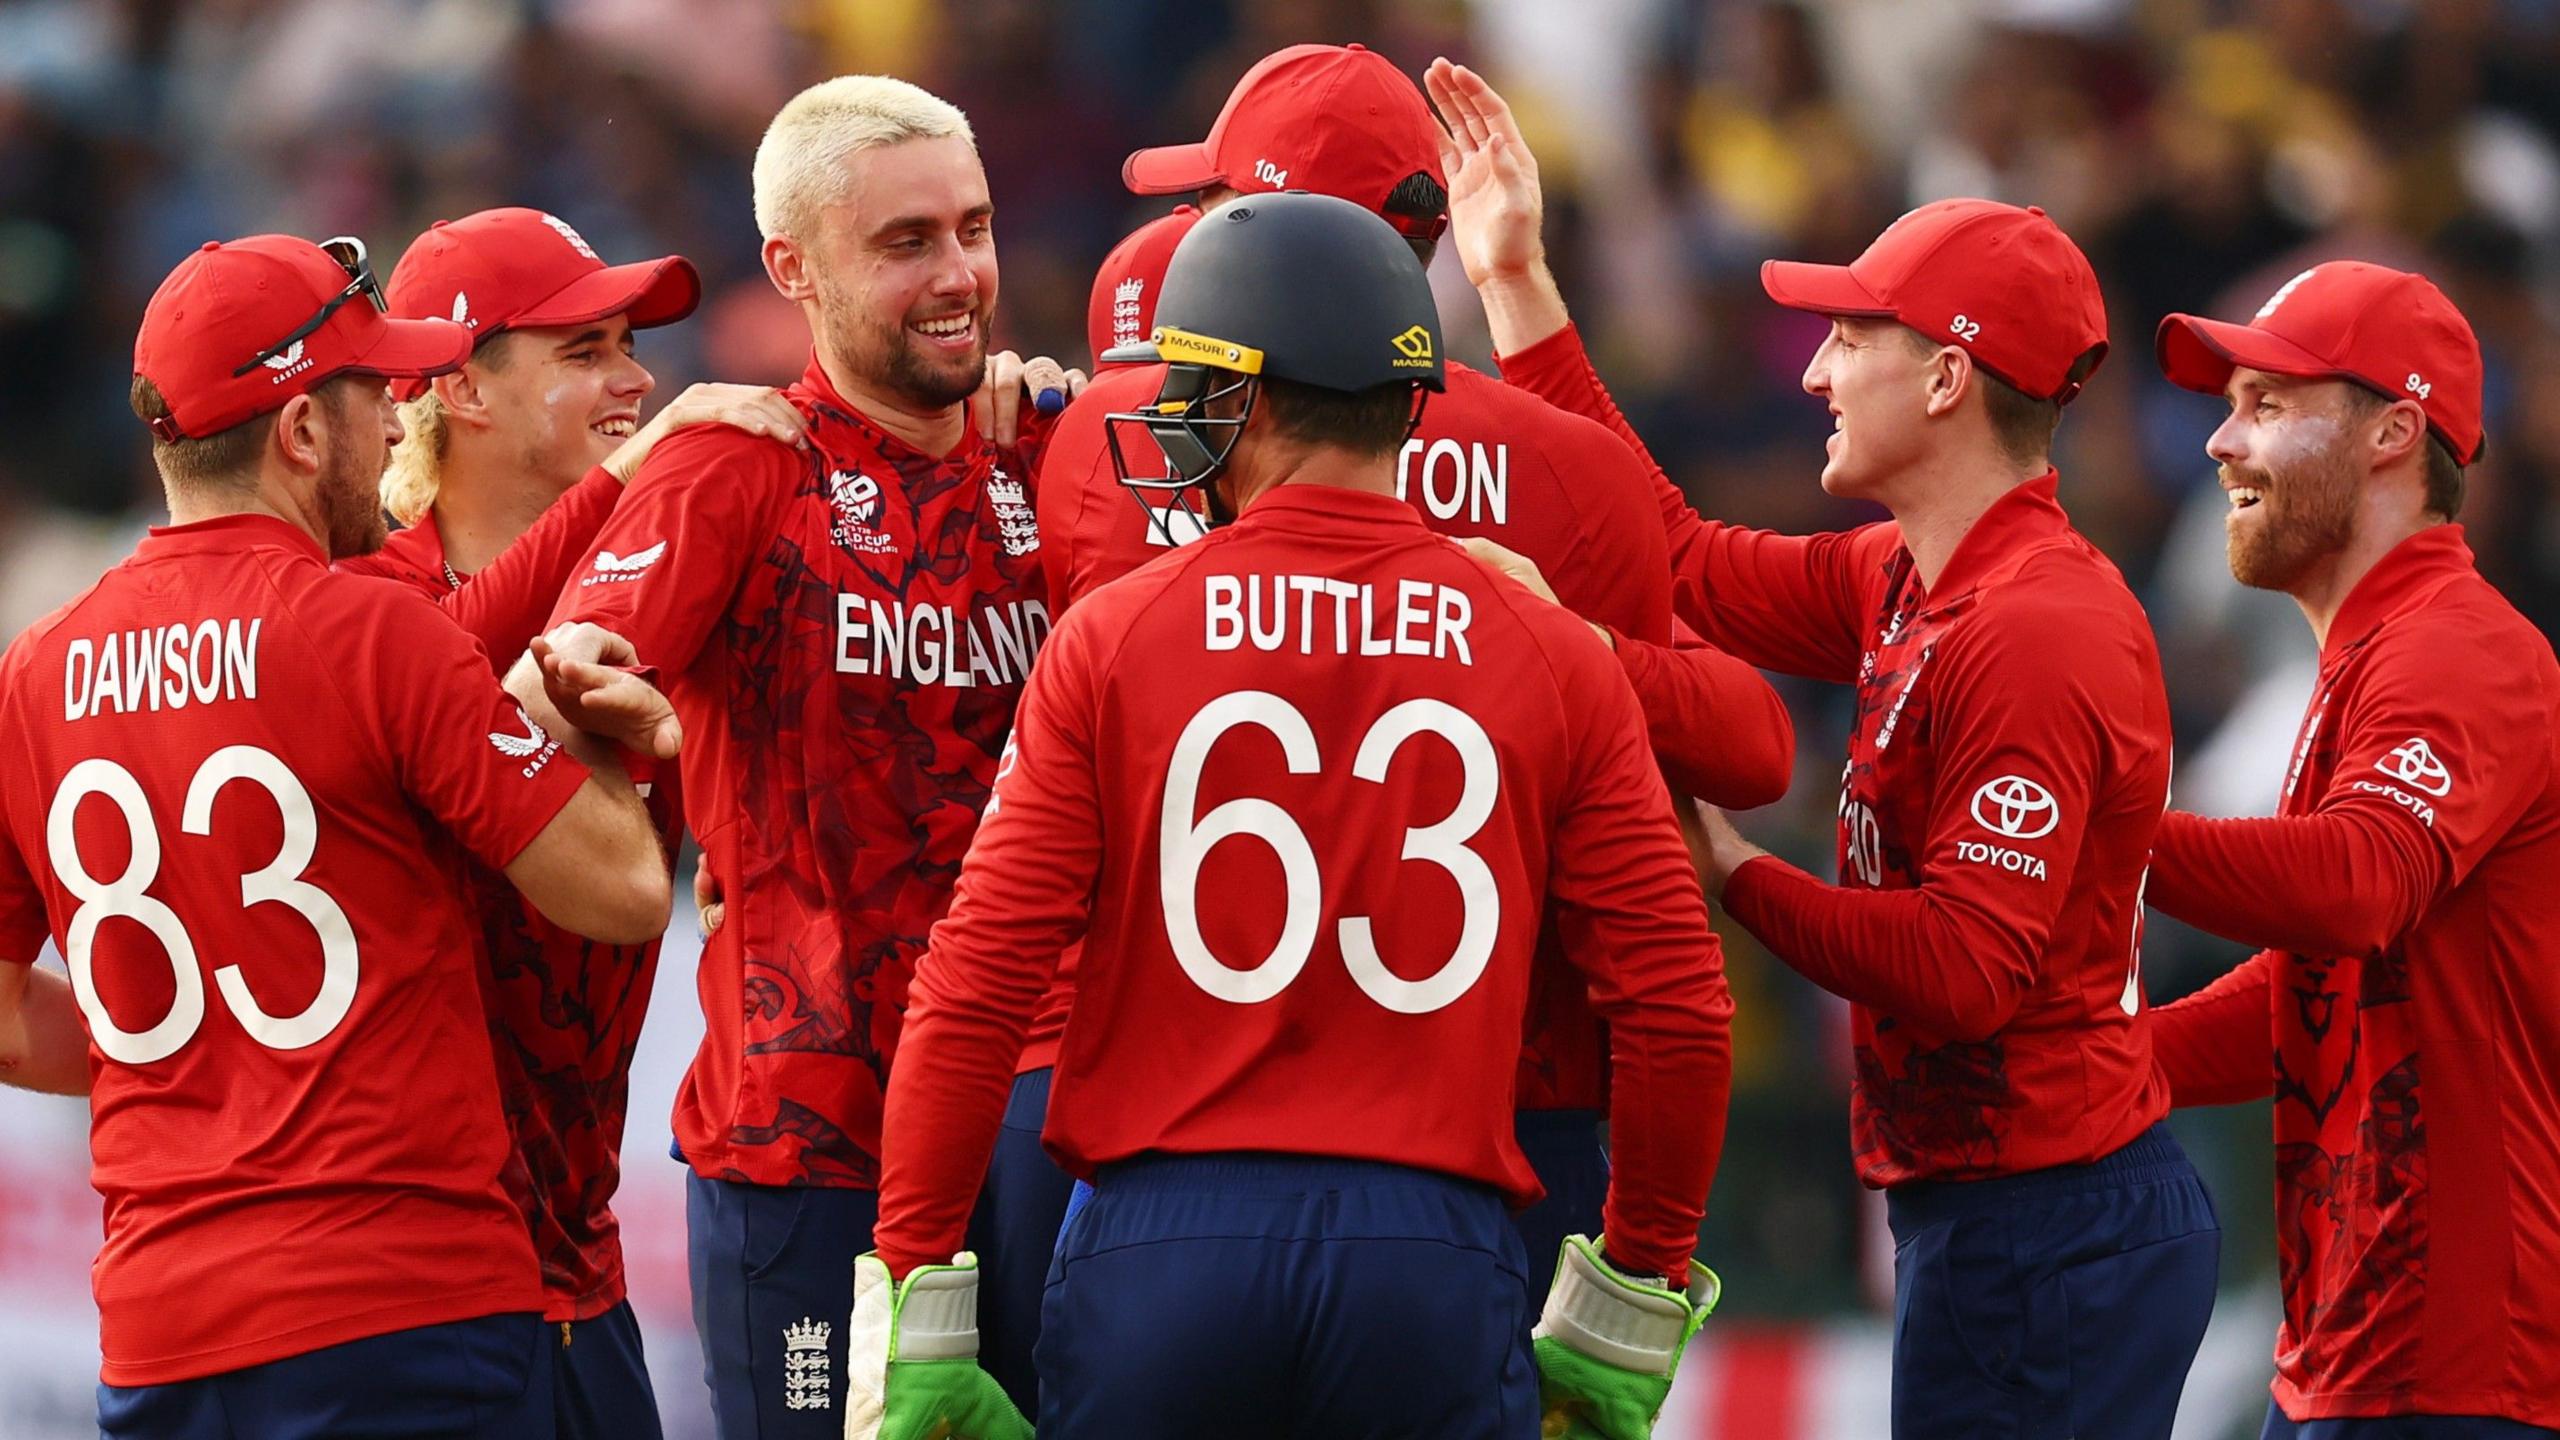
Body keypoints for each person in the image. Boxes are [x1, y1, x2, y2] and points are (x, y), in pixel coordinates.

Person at [976, 47, 1793, 1411]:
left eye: (1221, 209)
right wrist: (1575, 645)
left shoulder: (1108, 439)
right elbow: (1748, 752)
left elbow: (989, 938)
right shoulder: (1572, 476)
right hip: (1487, 1128)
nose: (1196, 237)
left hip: (1175, 1110)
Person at [1427, 61, 2220, 1439]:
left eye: (1850, 337)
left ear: (1951, 374)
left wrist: (1733, 872)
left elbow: (1970, 971)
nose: (1813, 369)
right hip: (1997, 1204)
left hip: (2053, 1215)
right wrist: (1514, 283)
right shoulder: (1908, 573)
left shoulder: (2038, 630)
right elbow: (1668, 557)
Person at [0, 233, 676, 1440]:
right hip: (404, 1310)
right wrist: (586, 725)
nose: (395, 424)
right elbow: (622, 892)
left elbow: (6, 1014)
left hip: (159, 1331)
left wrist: (199, 1062)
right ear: (303, 433)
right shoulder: (367, 629)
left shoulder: (35, 671)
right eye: (372, 395)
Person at [525, 75, 1077, 1439]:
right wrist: (617, 715)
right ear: (795, 268)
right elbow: (560, 682)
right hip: (812, 1149)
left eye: (974, 227)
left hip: (1036, 1143)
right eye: (907, 243)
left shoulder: (1058, 458)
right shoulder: (737, 464)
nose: (960, 276)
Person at [334, 205, 804, 1440]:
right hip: (420, 1293)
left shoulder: (661, 587)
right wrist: (632, 468)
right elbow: (441, 665)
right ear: (461, 389)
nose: (638, 377)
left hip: (581, 1273)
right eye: (583, 348)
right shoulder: (361, 610)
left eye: (629, 344)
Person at [2147, 262, 2560, 1439]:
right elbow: (2315, 989)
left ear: (2393, 433)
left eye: (2267, 407)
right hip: (2354, 1346)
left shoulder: (2457, 649)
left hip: (2457, 1368)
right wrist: (2112, 1062)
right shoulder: (2368, 658)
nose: (2220, 443)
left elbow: (2358, 886)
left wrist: (2094, 826)